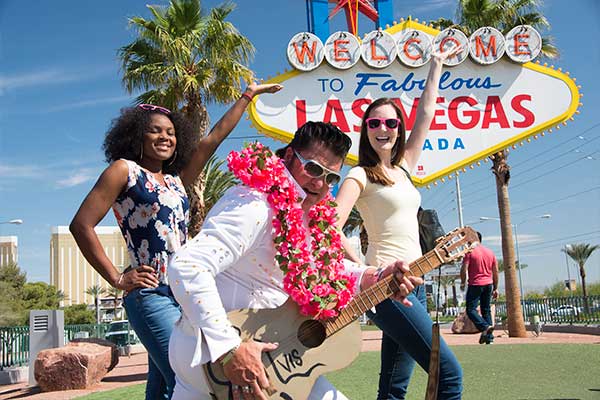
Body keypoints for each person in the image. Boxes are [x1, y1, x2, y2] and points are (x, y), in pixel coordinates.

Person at [167, 121, 423, 400]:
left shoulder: (310, 215)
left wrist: (374, 276)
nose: (320, 183)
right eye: (313, 169)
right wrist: (230, 349)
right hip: (214, 357)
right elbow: (188, 266)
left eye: (331, 178)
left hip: (273, 357)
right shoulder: (253, 204)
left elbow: (325, 270)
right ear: (288, 157)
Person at [69, 82, 282, 400]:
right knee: (191, 378)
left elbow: (212, 140)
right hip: (151, 294)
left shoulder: (176, 180)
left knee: (163, 386)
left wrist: (247, 95)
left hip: (186, 292)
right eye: (155, 131)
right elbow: (81, 225)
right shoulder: (123, 171)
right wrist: (116, 277)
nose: (165, 137)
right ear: (137, 136)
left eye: (170, 132)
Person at [334, 47, 463, 400]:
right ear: (366, 130)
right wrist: (361, 267)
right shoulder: (359, 174)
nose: (382, 128)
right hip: (388, 287)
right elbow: (328, 224)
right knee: (449, 375)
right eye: (373, 122)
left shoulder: (404, 167)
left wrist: (435, 66)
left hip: (416, 282)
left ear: (398, 129)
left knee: (393, 387)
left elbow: (426, 114)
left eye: (390, 122)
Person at [460, 231, 498, 345]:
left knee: (470, 309)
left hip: (476, 284)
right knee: (486, 310)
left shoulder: (470, 252)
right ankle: (489, 338)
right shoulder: (490, 252)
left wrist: (462, 282)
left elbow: (464, 269)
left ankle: (485, 327)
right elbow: (495, 271)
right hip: (488, 284)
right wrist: (495, 288)